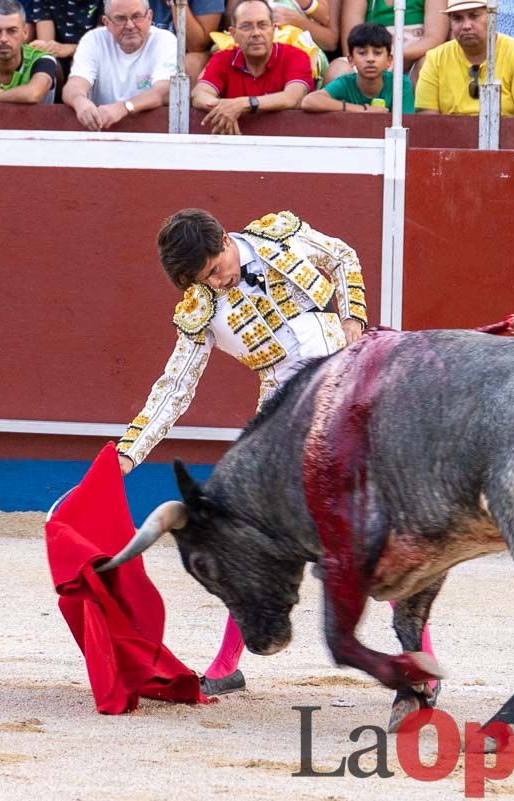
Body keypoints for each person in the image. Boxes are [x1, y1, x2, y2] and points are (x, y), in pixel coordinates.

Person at [116, 208, 439, 696]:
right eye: (202, 281)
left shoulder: (280, 236)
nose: (215, 285)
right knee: (245, 544)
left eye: (214, 270)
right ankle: (227, 665)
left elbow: (342, 257)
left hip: (354, 395)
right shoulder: (201, 309)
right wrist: (127, 452)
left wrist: (352, 316)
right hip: (285, 426)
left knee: (380, 534)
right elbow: (175, 388)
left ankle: (421, 656)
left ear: (224, 240)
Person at [191, 0, 314, 135]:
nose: (256, 33)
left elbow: (292, 97)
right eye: (246, 26)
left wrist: (242, 104)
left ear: (273, 29)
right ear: (233, 34)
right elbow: (199, 94)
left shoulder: (296, 56)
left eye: (262, 25)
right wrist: (225, 108)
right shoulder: (223, 58)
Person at [414, 0, 514, 117]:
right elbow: (429, 124)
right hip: (451, 145)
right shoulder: (435, 59)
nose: (466, 26)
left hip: (509, 144)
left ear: (492, 17)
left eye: (474, 16)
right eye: (457, 18)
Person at [62, 0, 175, 131]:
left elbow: (163, 92)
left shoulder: (165, 40)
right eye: (120, 19)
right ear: (106, 22)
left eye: (137, 16)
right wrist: (79, 102)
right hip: (100, 131)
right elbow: (74, 85)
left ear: (150, 17)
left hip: (150, 132)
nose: (130, 25)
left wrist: (124, 107)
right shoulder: (93, 40)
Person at [301, 22, 414, 112]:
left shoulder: (400, 84)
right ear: (351, 60)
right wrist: (363, 110)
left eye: (377, 53)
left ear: (389, 60)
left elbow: (408, 125)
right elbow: (309, 101)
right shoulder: (345, 83)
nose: (370, 59)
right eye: (362, 53)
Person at [327, 0, 448, 83]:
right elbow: (350, 44)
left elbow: (434, 39)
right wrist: (377, 61)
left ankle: (421, 120)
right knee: (338, 70)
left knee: (428, 65)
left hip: (412, 63)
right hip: (370, 63)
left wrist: (396, 56)